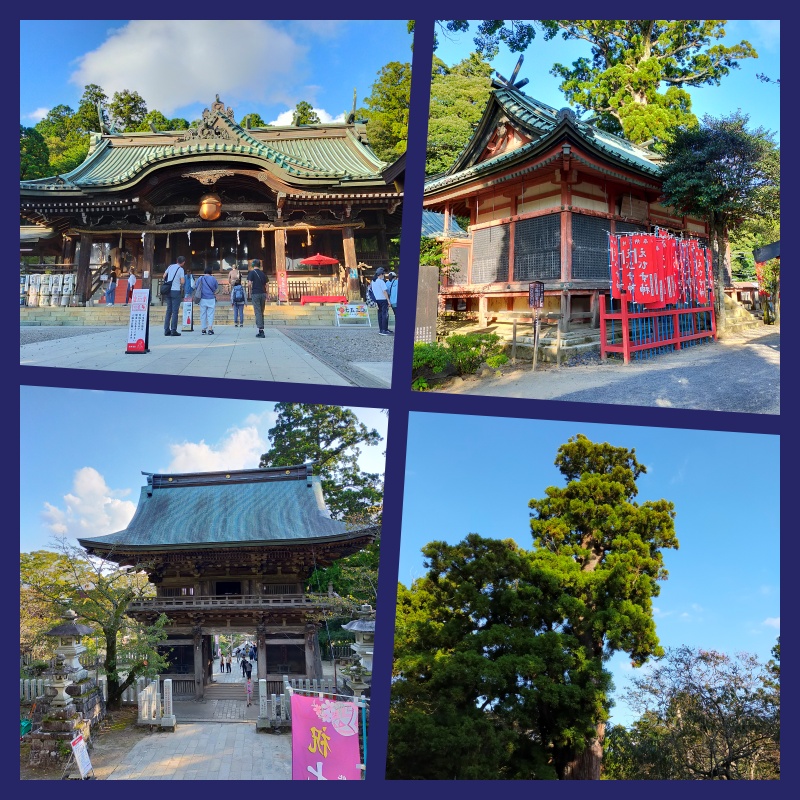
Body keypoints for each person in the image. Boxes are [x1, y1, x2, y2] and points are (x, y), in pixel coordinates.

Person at [162, 256, 185, 336]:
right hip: (175, 291)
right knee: (175, 312)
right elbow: (182, 281)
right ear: (183, 262)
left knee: (168, 310)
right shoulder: (181, 269)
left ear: (176, 260)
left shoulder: (170, 266)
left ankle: (166, 329)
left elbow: (164, 276)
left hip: (168, 291)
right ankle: (173, 330)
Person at [247, 258, 268, 338]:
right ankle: (261, 328)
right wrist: (267, 293)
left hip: (255, 293)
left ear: (253, 265)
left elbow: (249, 284)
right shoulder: (263, 274)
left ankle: (261, 330)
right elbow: (267, 285)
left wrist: (250, 290)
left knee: (257, 311)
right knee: (261, 311)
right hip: (263, 293)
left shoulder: (251, 273)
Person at [196, 264, 219, 334]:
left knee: (203, 314)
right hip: (211, 298)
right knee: (210, 314)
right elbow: (216, 288)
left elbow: (196, 287)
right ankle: (210, 328)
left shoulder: (200, 278)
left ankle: (203, 329)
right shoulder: (213, 278)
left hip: (202, 298)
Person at [371, 267, 392, 335]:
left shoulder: (373, 281)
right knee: (385, 315)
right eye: (383, 274)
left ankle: (382, 329)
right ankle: (384, 330)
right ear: (381, 274)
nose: (384, 275)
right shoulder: (381, 281)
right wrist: (388, 300)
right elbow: (384, 292)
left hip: (377, 300)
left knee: (380, 315)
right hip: (383, 299)